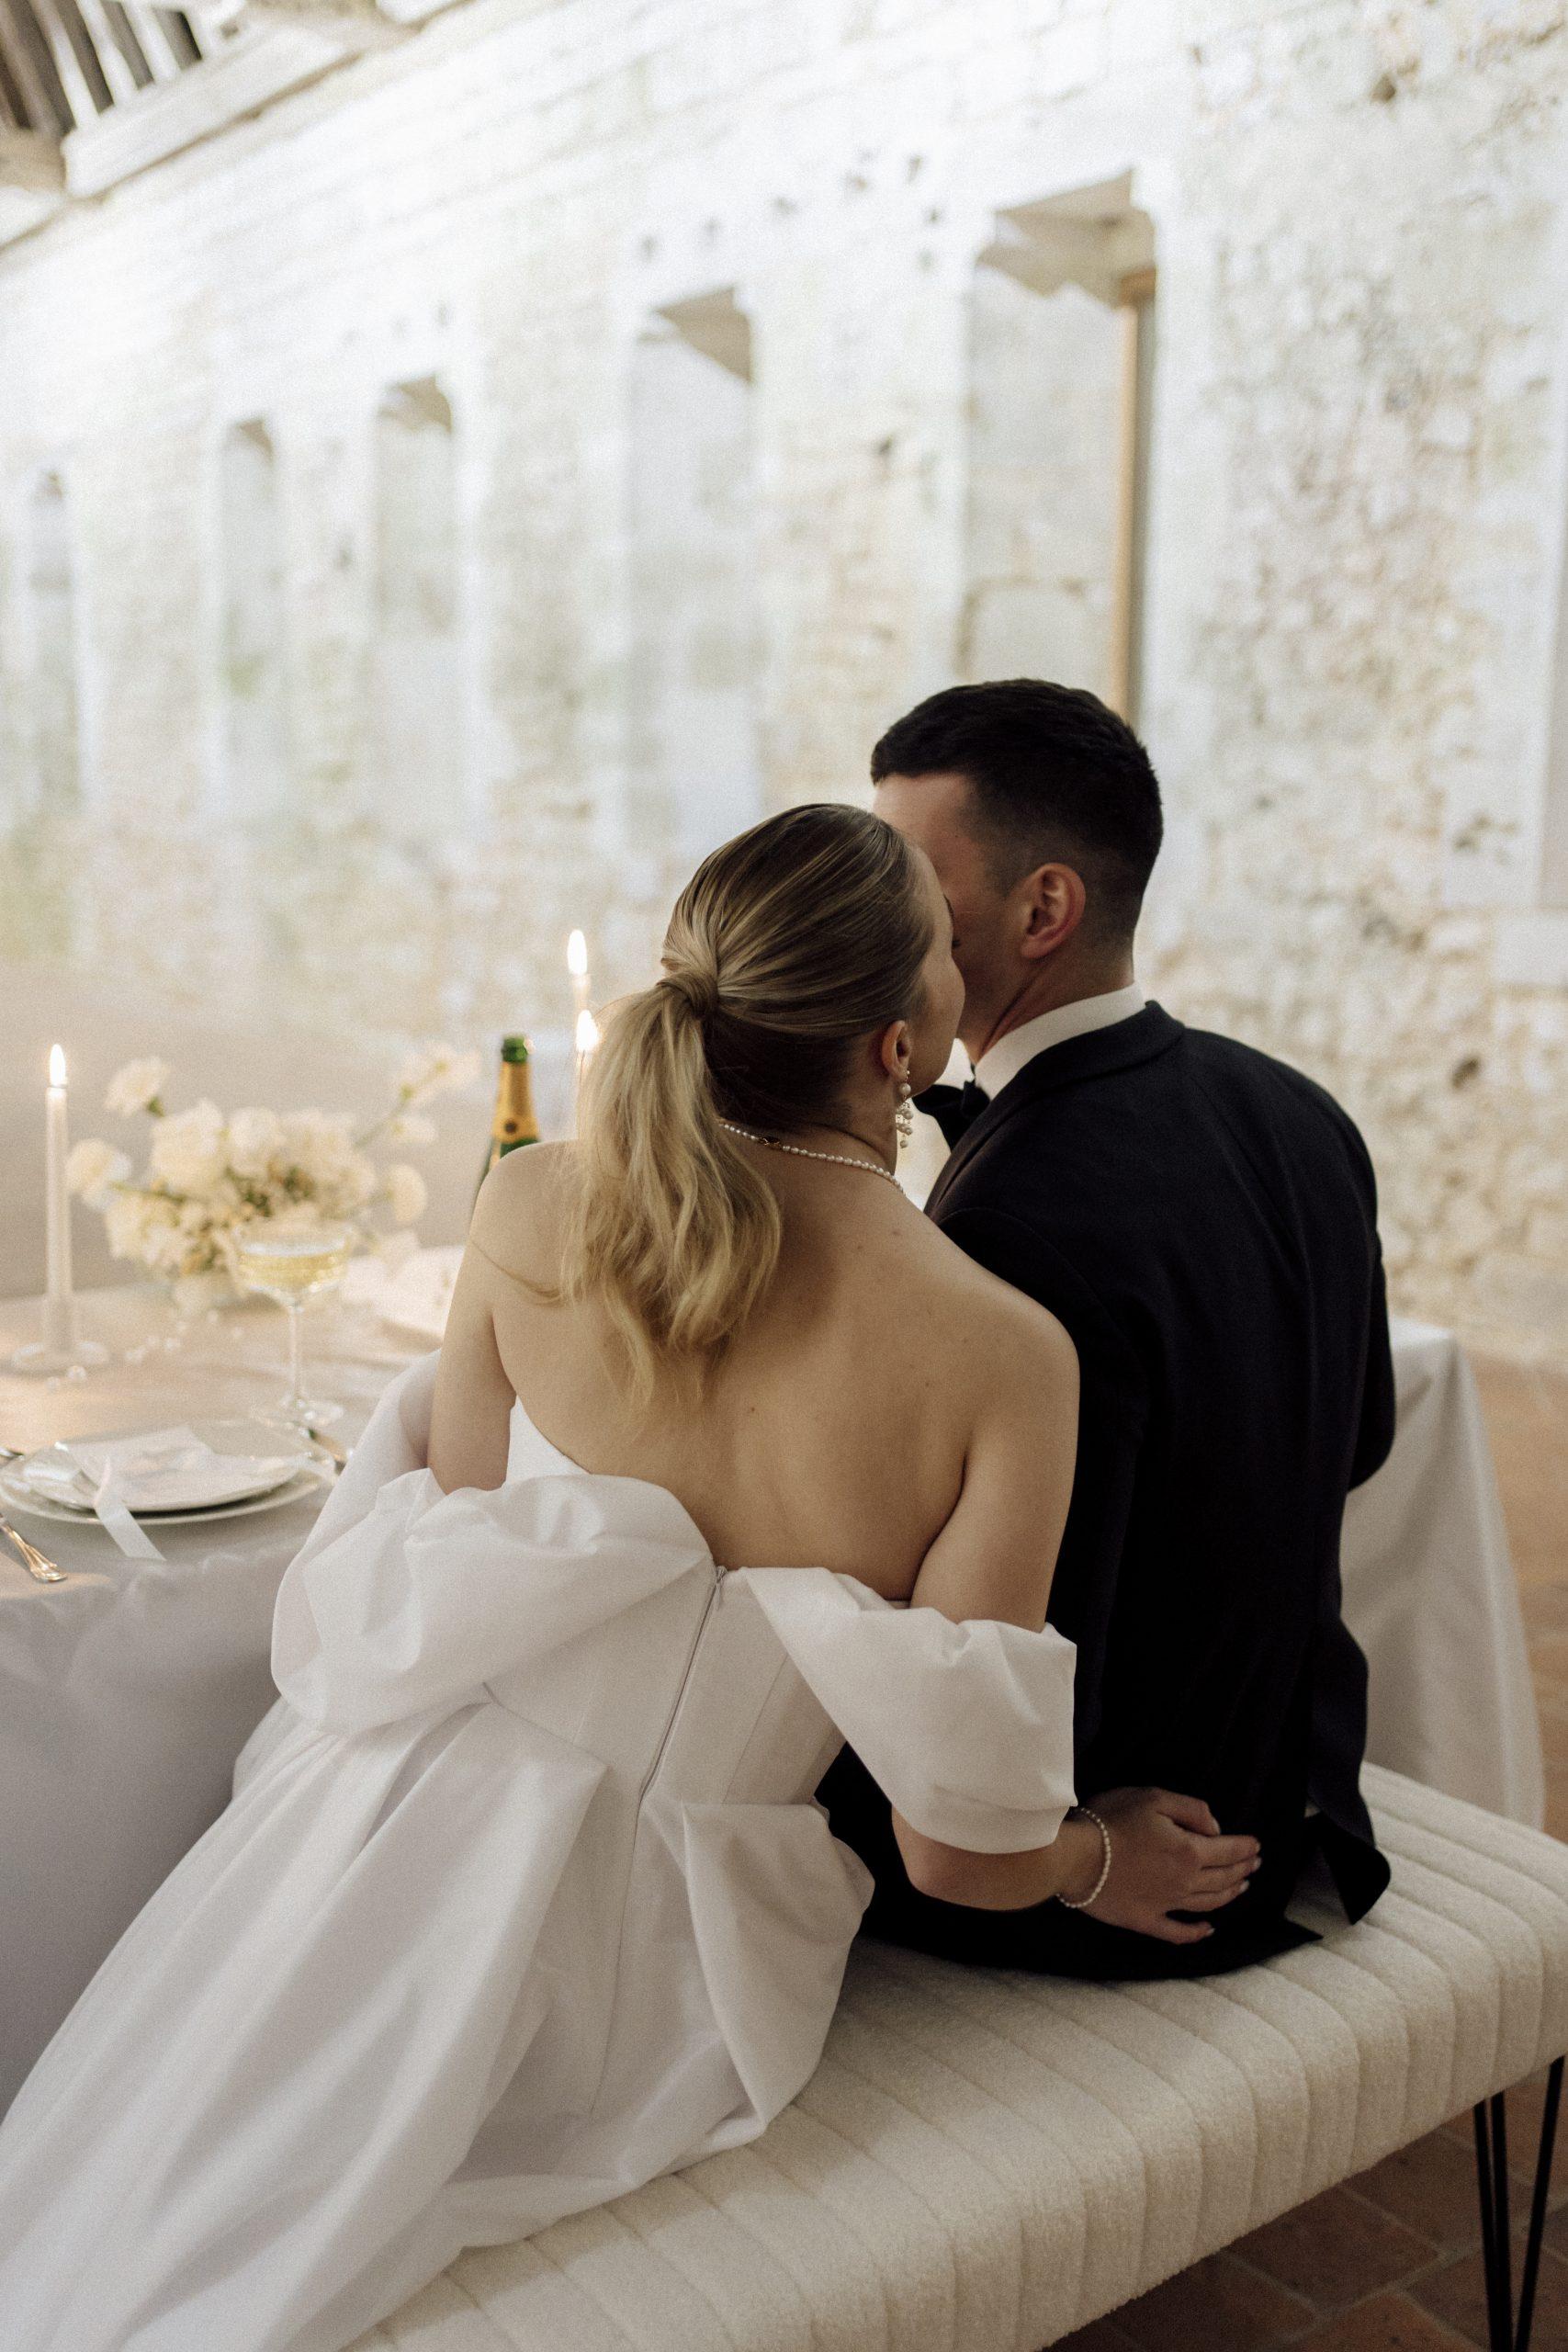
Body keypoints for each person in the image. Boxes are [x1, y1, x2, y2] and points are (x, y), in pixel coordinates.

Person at [0, 805, 1257, 2352]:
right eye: (939, 946)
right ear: (899, 1043)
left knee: (135, 2210)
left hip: (357, 1836)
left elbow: (457, 1555)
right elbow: (958, 1852)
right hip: (652, 1962)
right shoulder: (1002, 1357)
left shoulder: (528, 1201)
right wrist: (1101, 1859)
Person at [820, 681, 1396, 1980]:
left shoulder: (1006, 1229)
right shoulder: (1303, 1112)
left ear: (1044, 908)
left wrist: (1073, 1850)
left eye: (911, 880)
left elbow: (979, 1642)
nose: (881, 918)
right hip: (1291, 1788)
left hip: (1133, 1852)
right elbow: (1355, 1441)